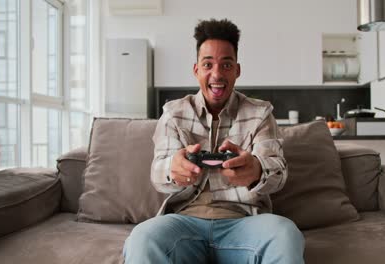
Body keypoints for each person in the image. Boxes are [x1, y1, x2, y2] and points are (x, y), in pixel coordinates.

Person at [123, 18, 305, 264]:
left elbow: (279, 173)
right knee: (142, 238)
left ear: (237, 70)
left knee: (285, 234)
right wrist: (173, 170)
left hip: (245, 223)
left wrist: (256, 170)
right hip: (184, 223)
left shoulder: (261, 113)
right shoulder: (173, 113)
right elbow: (158, 175)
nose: (217, 74)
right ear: (196, 69)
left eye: (226, 65)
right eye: (208, 64)